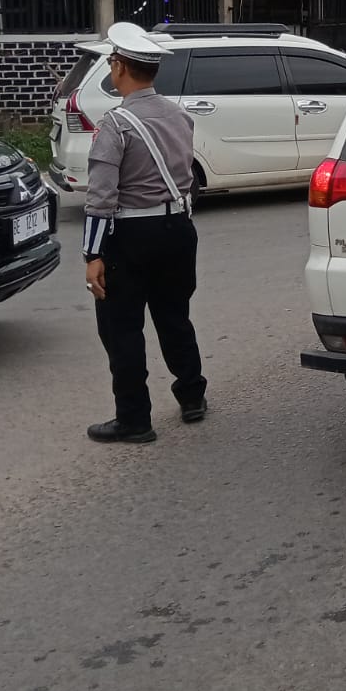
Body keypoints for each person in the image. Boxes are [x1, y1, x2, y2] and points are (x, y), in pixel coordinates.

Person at [82, 22, 206, 444]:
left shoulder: (115, 125)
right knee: (175, 317)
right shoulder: (180, 116)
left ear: (118, 67)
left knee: (122, 328)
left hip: (131, 235)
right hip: (177, 228)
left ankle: (134, 418)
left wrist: (91, 255)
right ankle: (192, 396)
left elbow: (101, 196)